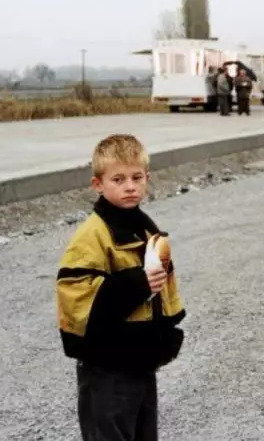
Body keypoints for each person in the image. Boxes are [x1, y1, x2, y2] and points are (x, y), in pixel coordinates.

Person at [56, 134, 186, 441]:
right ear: (98, 184)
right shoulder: (92, 235)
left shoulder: (146, 229)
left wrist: (166, 332)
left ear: (147, 178)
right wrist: (137, 283)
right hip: (107, 368)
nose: (130, 186)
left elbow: (163, 287)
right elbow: (75, 296)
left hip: (141, 361)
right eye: (118, 179)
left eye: (136, 178)